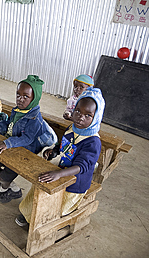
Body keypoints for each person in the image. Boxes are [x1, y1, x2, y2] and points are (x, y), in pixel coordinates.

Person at [16, 87, 105, 228]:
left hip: (75, 183)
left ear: (96, 117)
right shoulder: (72, 128)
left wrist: (59, 174)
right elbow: (64, 146)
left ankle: (42, 223)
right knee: (39, 184)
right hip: (60, 171)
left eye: (88, 115)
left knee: (58, 205)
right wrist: (54, 151)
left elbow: (81, 166)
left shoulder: (93, 141)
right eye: (78, 111)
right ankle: (29, 214)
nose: (81, 117)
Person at [0, 75, 57, 203]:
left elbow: (27, 139)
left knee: (6, 175)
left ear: (34, 99)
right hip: (11, 147)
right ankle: (9, 187)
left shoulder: (35, 119)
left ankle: (7, 189)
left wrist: (7, 143)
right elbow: (9, 124)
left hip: (23, 153)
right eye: (18, 94)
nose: (20, 99)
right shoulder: (18, 110)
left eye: (25, 96)